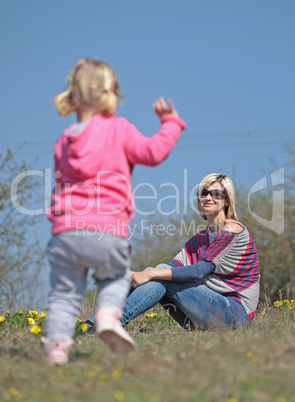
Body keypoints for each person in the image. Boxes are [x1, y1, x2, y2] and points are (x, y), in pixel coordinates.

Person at [43, 58, 186, 364]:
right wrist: (171, 124)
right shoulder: (119, 130)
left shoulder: (64, 141)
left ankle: (57, 347)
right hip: (108, 230)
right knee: (115, 278)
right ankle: (107, 319)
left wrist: (57, 219)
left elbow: (57, 187)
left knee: (65, 294)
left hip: (66, 232)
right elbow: (152, 152)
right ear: (111, 92)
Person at [84, 173, 260, 333]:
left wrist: (149, 274)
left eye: (215, 194)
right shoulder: (199, 239)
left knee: (157, 273)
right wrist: (134, 278)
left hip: (235, 316)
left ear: (227, 201)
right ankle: (95, 323)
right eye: (204, 193)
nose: (207, 197)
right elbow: (170, 268)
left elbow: (199, 270)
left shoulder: (233, 230)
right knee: (158, 273)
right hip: (205, 314)